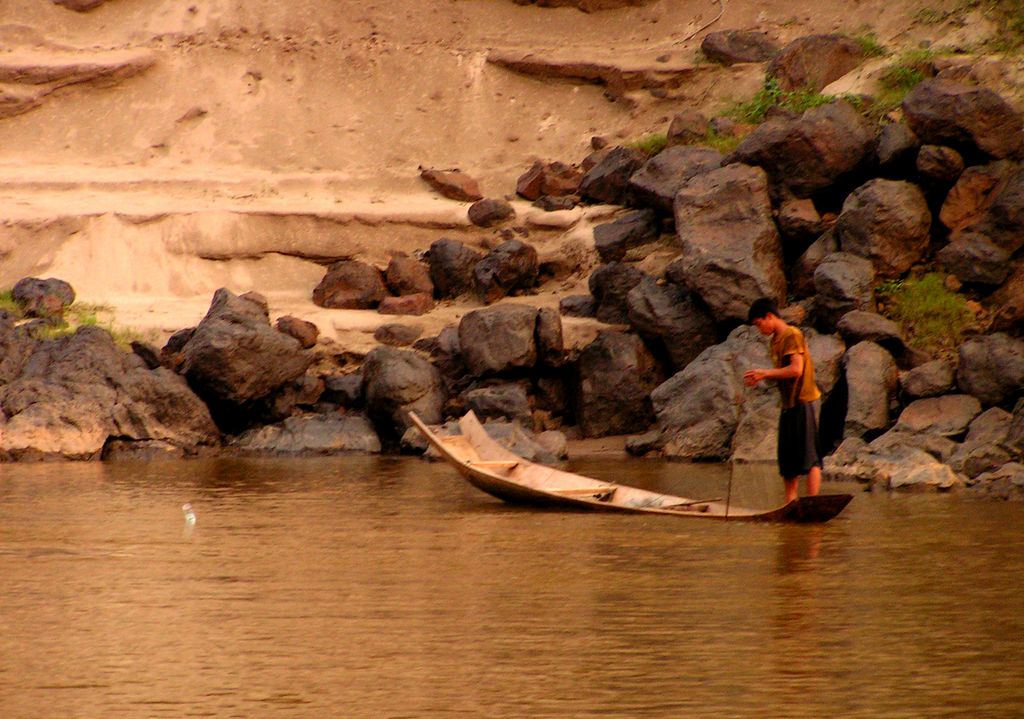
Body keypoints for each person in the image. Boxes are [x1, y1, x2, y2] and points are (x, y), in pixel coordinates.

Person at [743, 297, 822, 503]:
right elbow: (781, 373)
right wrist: (760, 377)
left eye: (760, 324)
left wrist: (765, 373)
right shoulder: (775, 342)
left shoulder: (792, 335)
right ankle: (790, 503)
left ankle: (812, 502)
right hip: (789, 404)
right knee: (787, 459)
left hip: (804, 400)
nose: (760, 329)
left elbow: (796, 369)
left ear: (769, 317)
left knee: (809, 456)